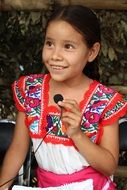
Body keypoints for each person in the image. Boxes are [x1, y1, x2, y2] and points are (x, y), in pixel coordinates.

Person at [0, 4, 127, 190]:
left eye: (68, 46)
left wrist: (77, 134)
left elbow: (109, 165)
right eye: (49, 43)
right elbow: (18, 149)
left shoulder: (104, 101)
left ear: (92, 52)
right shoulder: (31, 90)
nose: (55, 55)